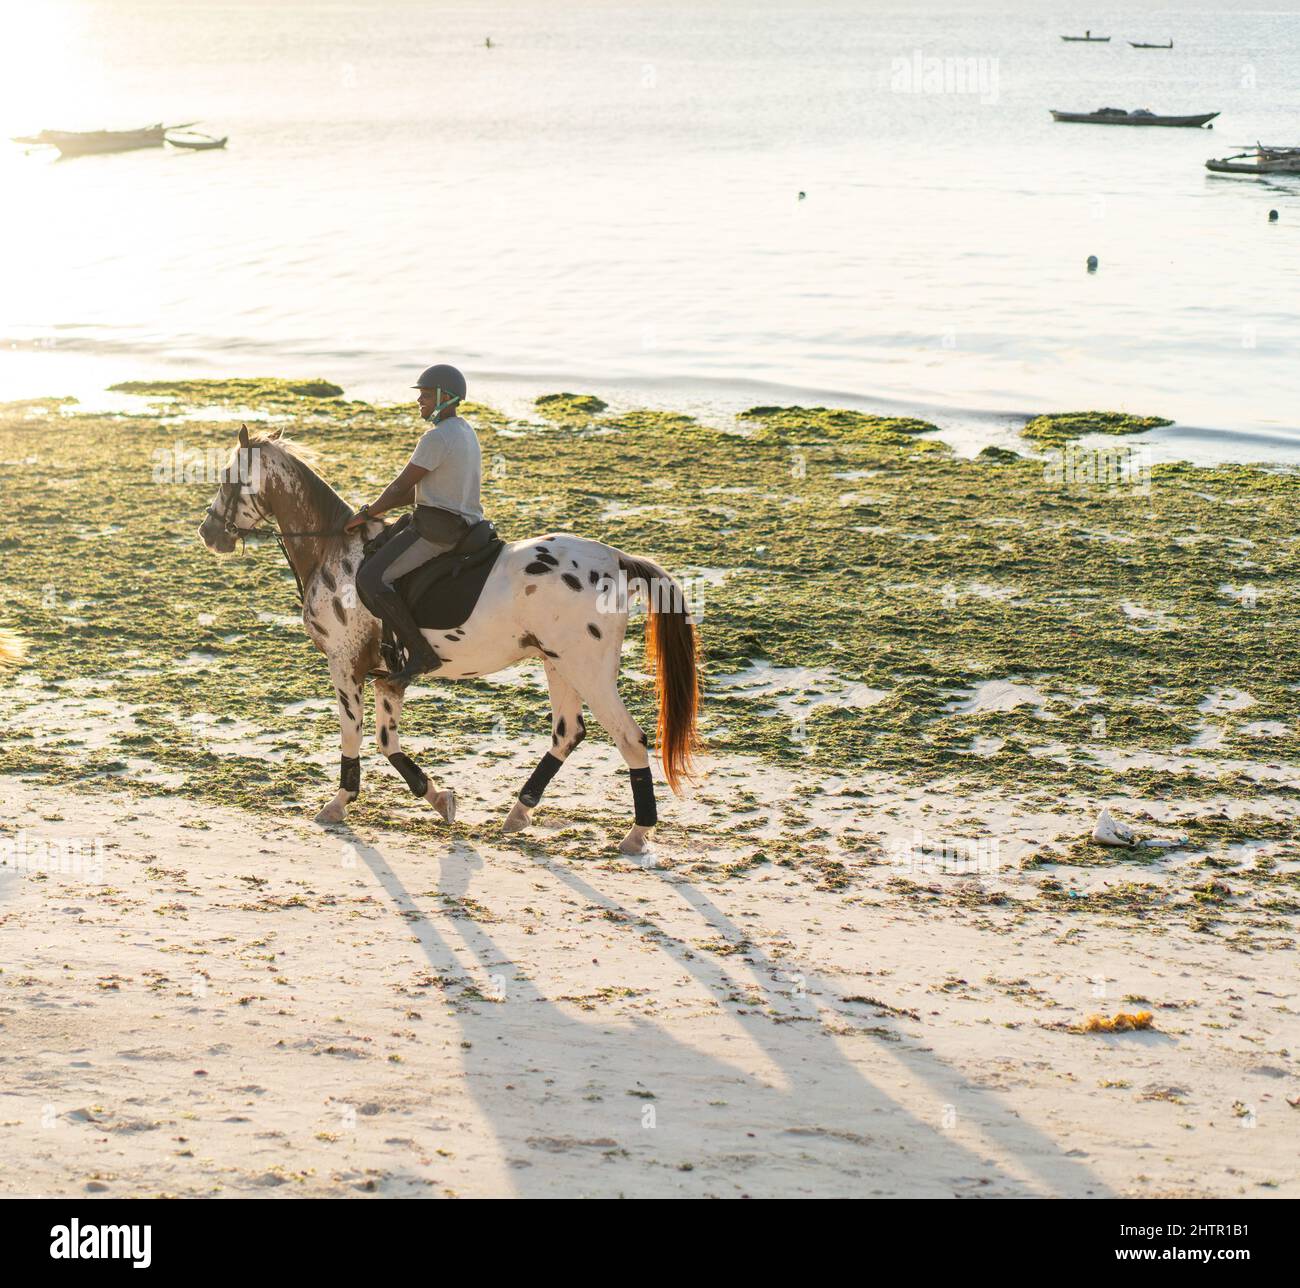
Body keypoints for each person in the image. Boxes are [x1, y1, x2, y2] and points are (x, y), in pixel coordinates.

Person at [348, 363, 483, 685]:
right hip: (465, 523)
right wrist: (380, 510)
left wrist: (367, 513)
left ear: (445, 397)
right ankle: (390, 648)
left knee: (371, 577)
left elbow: (399, 488)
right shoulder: (464, 431)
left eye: (426, 395)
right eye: (420, 394)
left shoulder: (436, 438)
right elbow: (418, 492)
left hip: (437, 529)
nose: (419, 400)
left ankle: (422, 654)